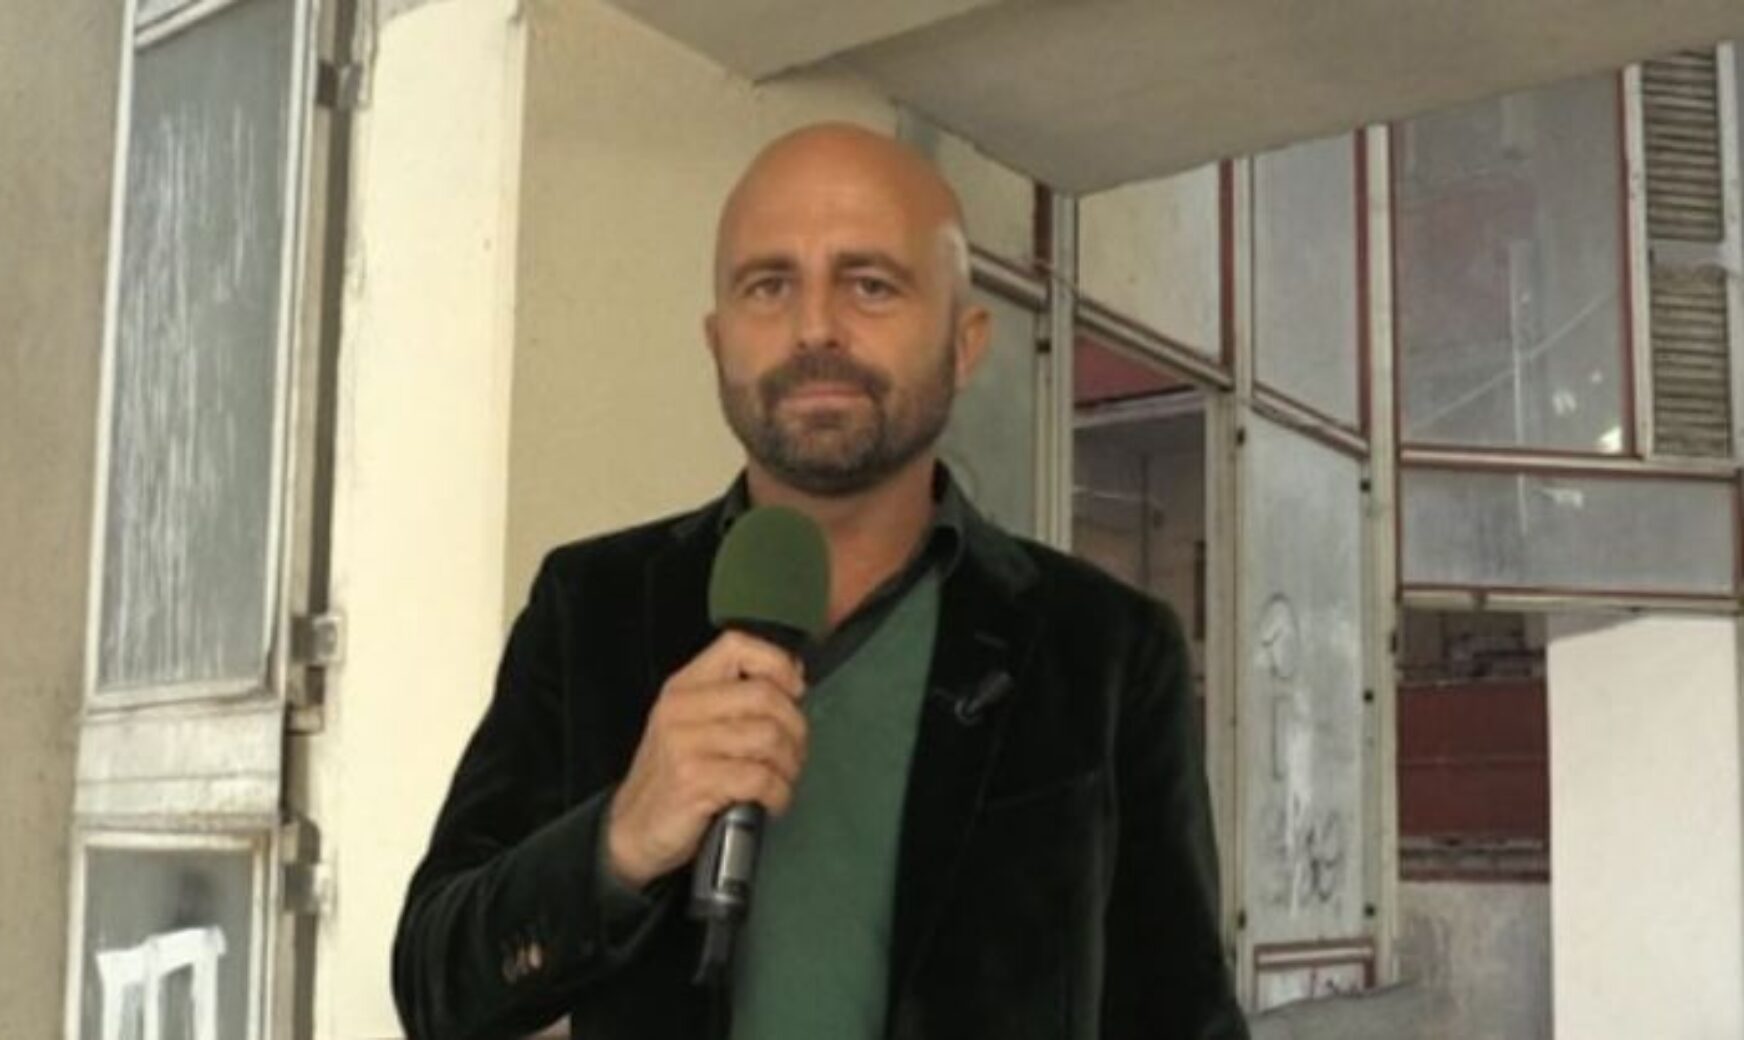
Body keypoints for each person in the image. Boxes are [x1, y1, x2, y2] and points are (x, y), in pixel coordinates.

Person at [392, 123, 1249, 1040]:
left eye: (869, 284)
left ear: (965, 342)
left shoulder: (1105, 650)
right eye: (769, 285)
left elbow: (1181, 1014)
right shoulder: (591, 607)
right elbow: (436, 988)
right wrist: (621, 838)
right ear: (718, 341)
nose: (814, 329)